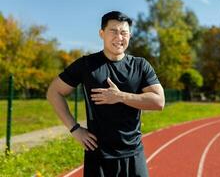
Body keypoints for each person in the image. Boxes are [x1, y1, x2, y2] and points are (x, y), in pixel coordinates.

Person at [46, 11, 165, 177]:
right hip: (99, 156)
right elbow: (54, 92)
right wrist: (74, 129)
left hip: (133, 153)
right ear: (101, 33)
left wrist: (120, 96)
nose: (119, 37)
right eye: (113, 31)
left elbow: (159, 102)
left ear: (129, 35)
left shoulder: (140, 65)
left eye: (124, 32)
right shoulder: (87, 65)